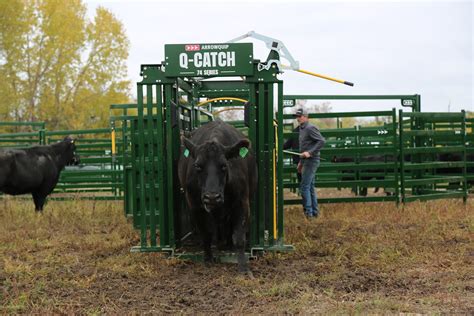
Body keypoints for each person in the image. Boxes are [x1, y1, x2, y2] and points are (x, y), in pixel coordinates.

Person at [293, 108, 326, 218]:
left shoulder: (310, 128)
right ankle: (314, 213)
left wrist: (310, 153)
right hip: (306, 161)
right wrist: (301, 163)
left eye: (300, 116)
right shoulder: (302, 129)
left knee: (304, 187)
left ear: (306, 117)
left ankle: (309, 214)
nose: (298, 118)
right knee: (310, 187)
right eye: (297, 116)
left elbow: (321, 141)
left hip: (312, 160)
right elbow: (304, 147)